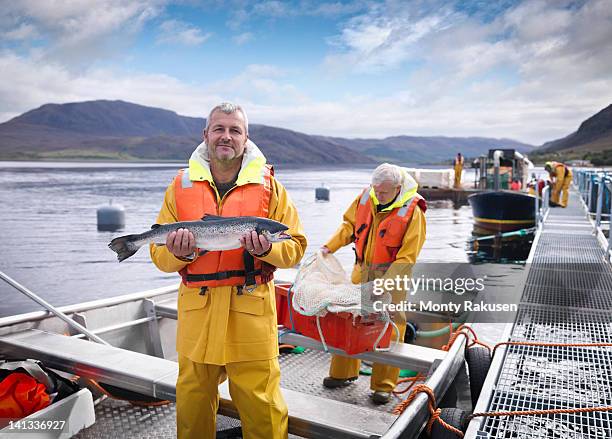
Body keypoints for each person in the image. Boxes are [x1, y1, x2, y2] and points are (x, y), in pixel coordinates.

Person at [150, 102, 307, 439]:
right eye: (219, 129)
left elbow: (295, 247)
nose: (226, 136)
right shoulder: (179, 187)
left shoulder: (272, 188)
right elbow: (160, 257)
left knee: (262, 407)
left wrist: (269, 249)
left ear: (245, 138)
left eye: (235, 130)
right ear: (205, 135)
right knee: (192, 405)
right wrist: (182, 254)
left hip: (250, 313)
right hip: (198, 315)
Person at [320, 163, 426, 404]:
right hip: (360, 271)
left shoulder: (413, 212)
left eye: (384, 192)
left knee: (389, 328)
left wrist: (383, 286)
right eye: (376, 190)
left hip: (392, 278)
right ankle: (343, 373)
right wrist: (330, 246)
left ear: (398, 189)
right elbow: (349, 226)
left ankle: (383, 386)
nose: (378, 196)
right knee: (348, 318)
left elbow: (407, 257)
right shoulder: (366, 196)